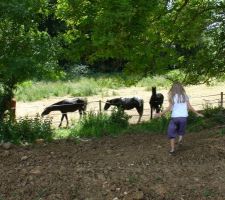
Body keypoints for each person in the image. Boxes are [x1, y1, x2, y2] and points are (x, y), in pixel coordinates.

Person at [155, 82, 203, 155]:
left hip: (175, 118)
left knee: (171, 133)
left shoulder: (172, 96)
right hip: (184, 117)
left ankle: (172, 150)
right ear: (181, 88)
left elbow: (169, 108)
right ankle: (180, 139)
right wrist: (197, 113)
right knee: (181, 129)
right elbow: (189, 107)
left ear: (173, 88)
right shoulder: (185, 96)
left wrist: (160, 114)